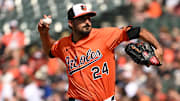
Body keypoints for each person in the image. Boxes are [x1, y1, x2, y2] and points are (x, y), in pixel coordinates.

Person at [38, 3, 163, 101]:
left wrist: (158, 47)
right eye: (81, 19)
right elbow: (50, 50)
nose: (87, 22)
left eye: (88, 18)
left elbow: (138, 31)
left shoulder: (104, 36)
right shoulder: (64, 44)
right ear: (71, 23)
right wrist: (44, 34)